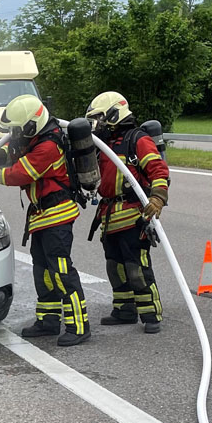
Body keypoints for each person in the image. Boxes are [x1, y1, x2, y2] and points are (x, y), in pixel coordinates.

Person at [0, 94, 90, 347]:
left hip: (57, 215)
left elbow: (19, 174)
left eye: (21, 128)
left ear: (33, 124)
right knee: (42, 270)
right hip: (41, 216)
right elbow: (11, 150)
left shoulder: (49, 146)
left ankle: (79, 325)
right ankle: (48, 321)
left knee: (61, 270)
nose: (18, 133)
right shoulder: (33, 138)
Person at [86, 91, 169, 334]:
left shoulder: (137, 140)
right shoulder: (104, 145)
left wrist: (157, 198)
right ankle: (124, 310)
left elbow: (158, 170)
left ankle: (150, 313)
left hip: (133, 215)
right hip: (110, 216)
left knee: (137, 268)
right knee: (115, 266)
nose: (97, 124)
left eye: (100, 118)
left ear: (113, 114)